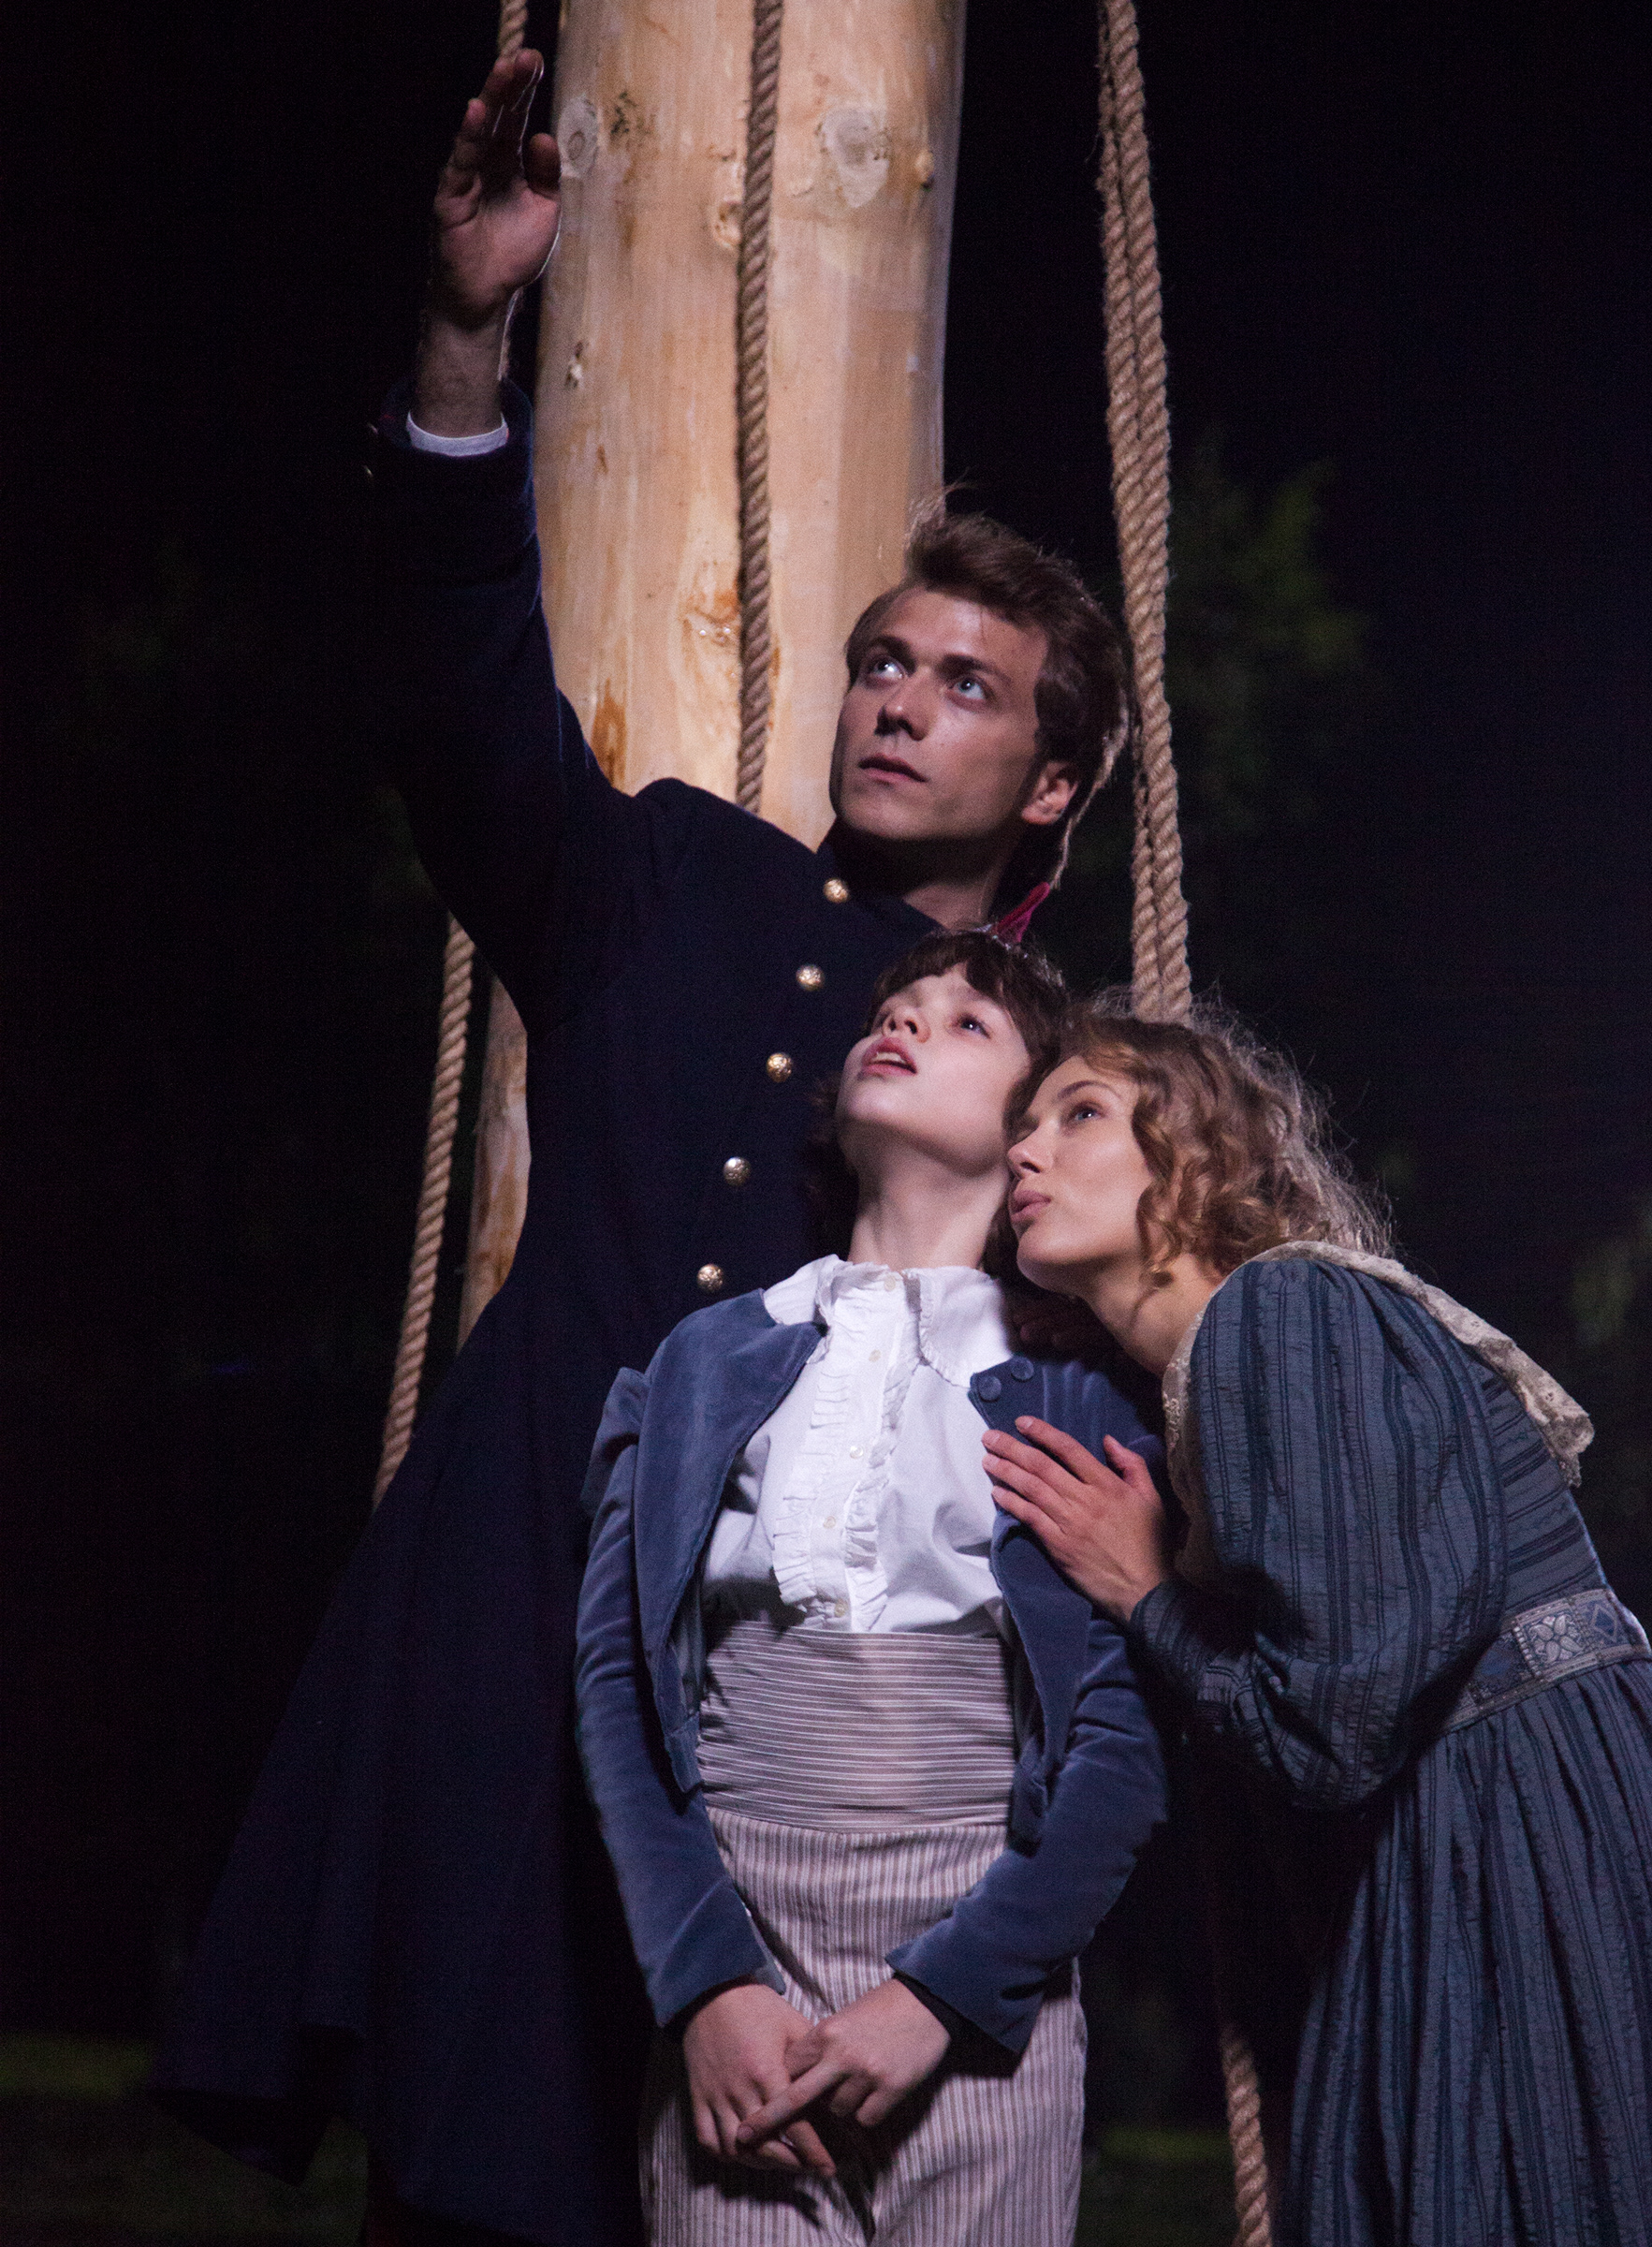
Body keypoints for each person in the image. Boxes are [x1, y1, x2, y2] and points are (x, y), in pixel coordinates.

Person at [151, 49, 1131, 2247]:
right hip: (525, 1599)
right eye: (881, 664)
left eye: (967, 685)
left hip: (830, 1723)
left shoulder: (1060, 1075)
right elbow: (461, 710)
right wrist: (463, 340)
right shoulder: (674, 883)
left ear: (1057, 784)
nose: (897, 699)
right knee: (484, 2178)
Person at [981, 1001, 1652, 2245]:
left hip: (1530, 1837)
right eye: (1022, 1128)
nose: (1025, 1151)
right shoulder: (1248, 1353)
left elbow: (1332, 1727)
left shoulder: (1283, 1314)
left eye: (1079, 1113)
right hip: (1502, 1826)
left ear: (1195, 1151)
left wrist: (1146, 1595)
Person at [574, 933, 1165, 2244]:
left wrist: (949, 1995)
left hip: (984, 1972)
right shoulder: (700, 1362)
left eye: (965, 1022)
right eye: (893, 1010)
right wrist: (706, 1984)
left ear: (1031, 1130)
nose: (901, 1024)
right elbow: (618, 1687)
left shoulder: (1081, 1387)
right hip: (745, 1958)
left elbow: (1125, 1741)